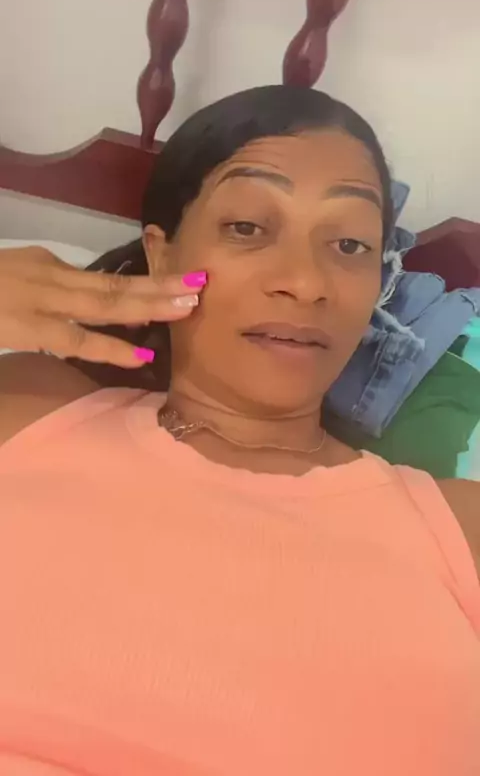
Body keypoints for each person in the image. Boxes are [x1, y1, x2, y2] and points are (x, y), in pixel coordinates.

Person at [0, 86, 478, 776]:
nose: (305, 282)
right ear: (162, 255)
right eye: (248, 227)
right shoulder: (27, 409)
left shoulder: (458, 533)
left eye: (349, 244)